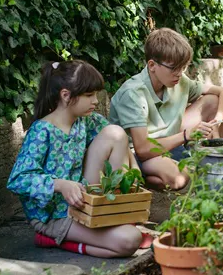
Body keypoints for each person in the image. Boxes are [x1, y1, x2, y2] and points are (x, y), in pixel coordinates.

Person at [8, 60, 148, 258]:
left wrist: (134, 170)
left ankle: (118, 213)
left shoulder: (85, 121)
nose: (96, 101)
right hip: (53, 216)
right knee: (130, 240)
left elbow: (119, 141)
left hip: (82, 202)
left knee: (116, 132)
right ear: (66, 96)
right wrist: (60, 184)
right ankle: (53, 239)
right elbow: (17, 179)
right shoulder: (41, 131)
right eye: (89, 95)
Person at [109, 28, 223, 190]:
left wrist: (218, 119)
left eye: (182, 67)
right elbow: (142, 149)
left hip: (168, 142)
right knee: (179, 179)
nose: (179, 73)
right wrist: (186, 135)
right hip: (136, 155)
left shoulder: (178, 81)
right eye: (174, 68)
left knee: (212, 101)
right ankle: (140, 178)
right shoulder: (133, 93)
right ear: (152, 65)